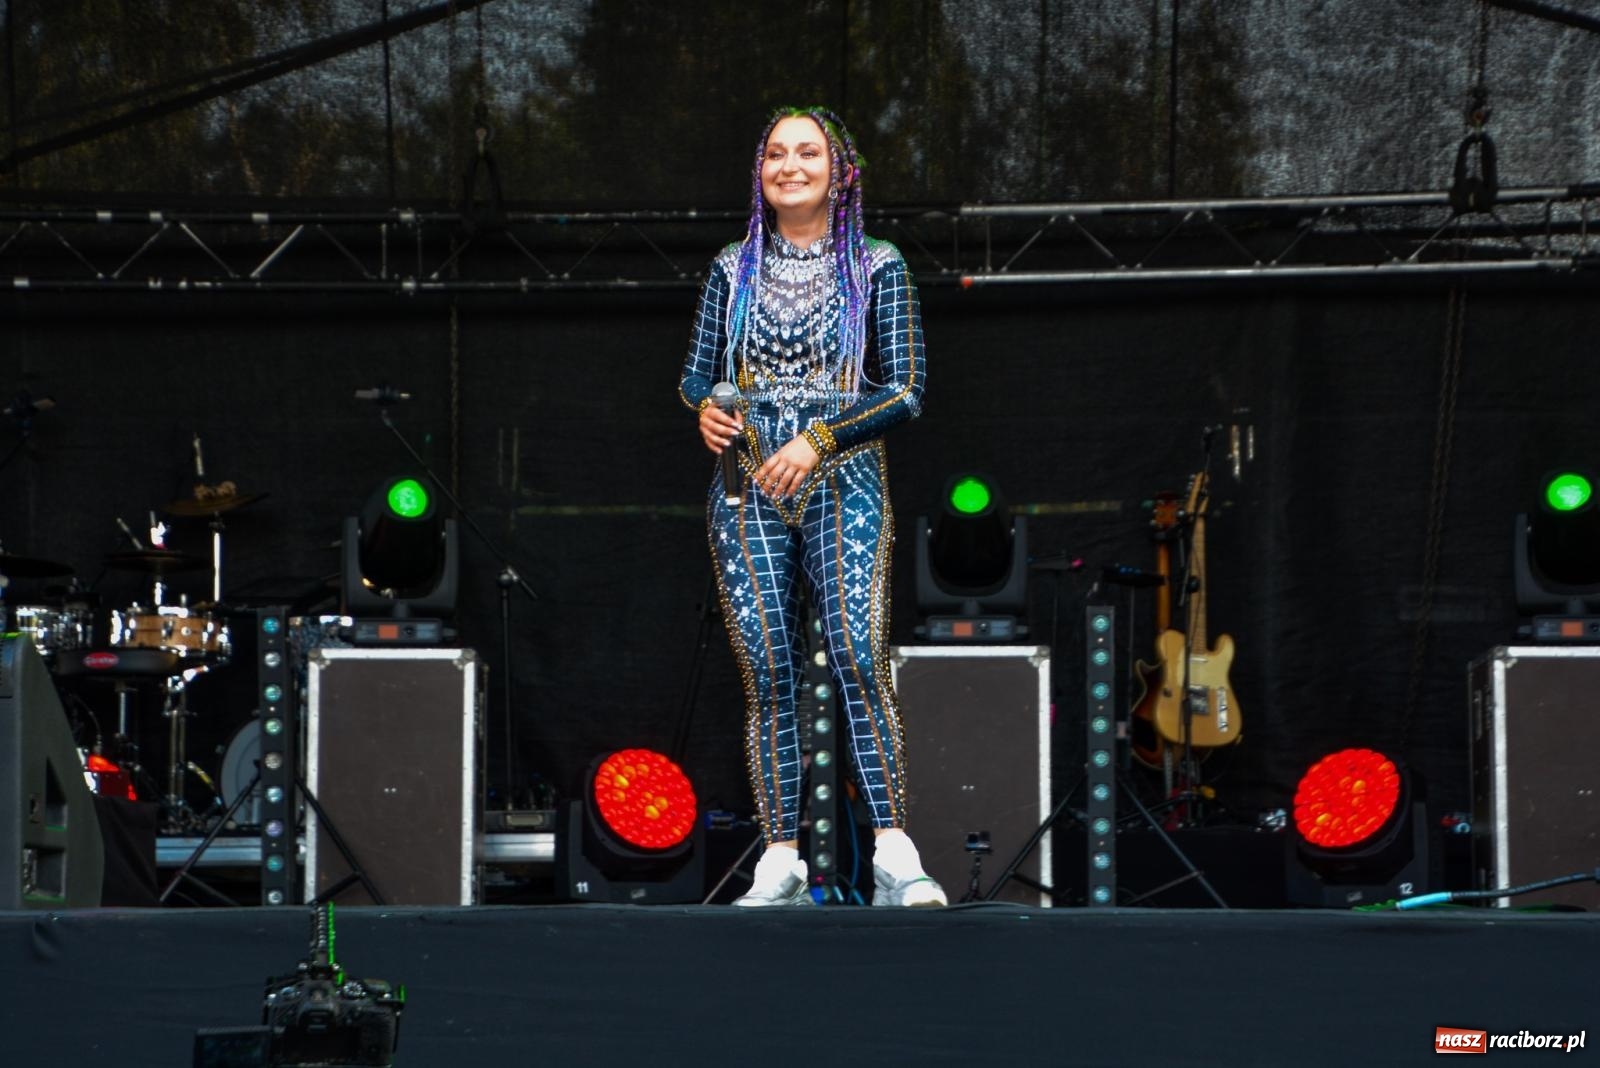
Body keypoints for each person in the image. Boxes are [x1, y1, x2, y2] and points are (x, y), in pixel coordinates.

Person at [678, 106, 945, 908]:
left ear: (841, 170)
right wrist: (704, 409)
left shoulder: (876, 264)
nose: (789, 165)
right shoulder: (733, 266)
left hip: (843, 478)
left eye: (807, 152)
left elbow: (905, 389)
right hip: (749, 482)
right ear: (759, 173)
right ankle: (782, 854)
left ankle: (896, 849)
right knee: (770, 670)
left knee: (859, 656)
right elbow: (694, 372)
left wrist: (821, 439)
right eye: (774, 154)